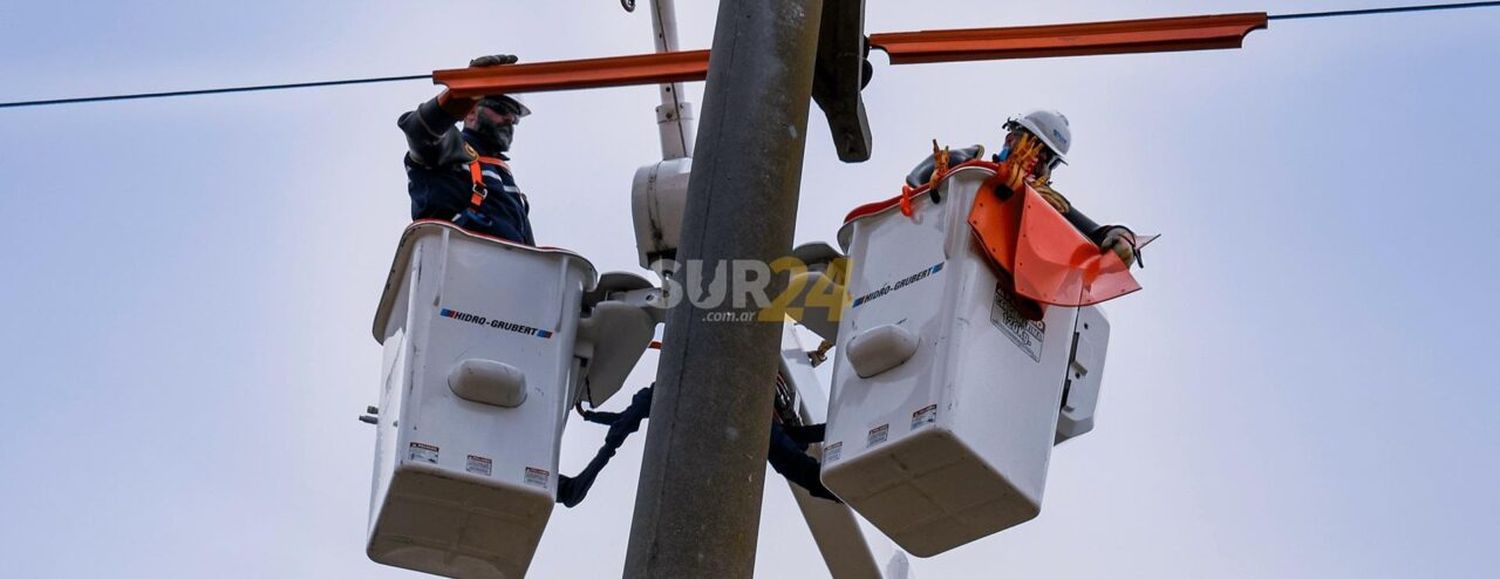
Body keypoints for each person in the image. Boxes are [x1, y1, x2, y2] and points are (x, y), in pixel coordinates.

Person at [906, 109, 1140, 266]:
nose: (1038, 162)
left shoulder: (1045, 205)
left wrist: (1122, 238)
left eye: (1049, 160)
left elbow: (1097, 233)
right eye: (1035, 147)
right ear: (1010, 139)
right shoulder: (969, 163)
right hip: (931, 257)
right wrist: (944, 183)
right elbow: (916, 179)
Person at [398, 54, 536, 245]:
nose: (509, 119)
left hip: (503, 271)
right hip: (456, 266)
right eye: (501, 108)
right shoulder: (451, 147)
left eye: (514, 115)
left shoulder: (510, 187)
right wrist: (462, 93)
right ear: (470, 112)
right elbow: (419, 130)